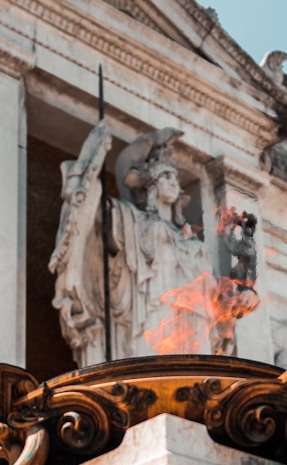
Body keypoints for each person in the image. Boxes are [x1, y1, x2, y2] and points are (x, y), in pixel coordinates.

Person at [51, 121, 214, 365]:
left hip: (187, 329)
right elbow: (92, 214)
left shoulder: (190, 239)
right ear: (150, 184)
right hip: (149, 318)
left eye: (175, 178)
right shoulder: (132, 219)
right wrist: (90, 165)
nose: (173, 182)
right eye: (165, 176)